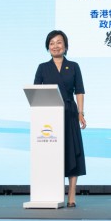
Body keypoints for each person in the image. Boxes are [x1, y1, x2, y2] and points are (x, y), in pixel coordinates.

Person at [34, 30, 86, 207]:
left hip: (69, 113)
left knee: (72, 152)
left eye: (59, 42)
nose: (55, 46)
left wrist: (81, 113)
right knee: (51, 155)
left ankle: (71, 194)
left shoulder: (73, 66)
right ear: (47, 47)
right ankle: (52, 192)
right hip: (49, 117)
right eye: (52, 43)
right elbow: (36, 92)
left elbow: (79, 91)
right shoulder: (42, 67)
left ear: (65, 45)